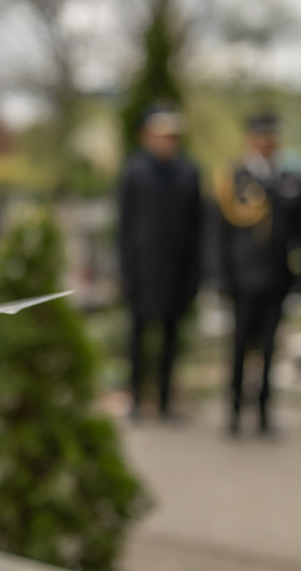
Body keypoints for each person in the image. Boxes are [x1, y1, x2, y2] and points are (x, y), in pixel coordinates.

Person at [214, 112, 301, 438]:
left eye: (271, 137)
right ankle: (235, 411)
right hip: (242, 280)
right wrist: (221, 277)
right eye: (260, 136)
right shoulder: (234, 177)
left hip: (276, 279)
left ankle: (266, 413)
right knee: (240, 347)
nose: (266, 143)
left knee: (270, 348)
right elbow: (221, 234)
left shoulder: (290, 178)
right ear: (250, 140)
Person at [118, 105, 202, 422]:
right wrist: (126, 270)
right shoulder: (135, 173)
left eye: (172, 136)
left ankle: (166, 401)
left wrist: (196, 272)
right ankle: (137, 400)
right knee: (139, 336)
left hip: (177, 270)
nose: (167, 142)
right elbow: (125, 228)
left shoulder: (189, 173)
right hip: (143, 268)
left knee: (170, 337)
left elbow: (197, 227)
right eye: (161, 136)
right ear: (148, 137)